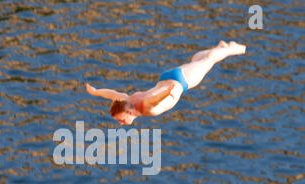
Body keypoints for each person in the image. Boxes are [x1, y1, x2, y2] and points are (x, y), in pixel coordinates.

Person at [86, 41, 246, 125]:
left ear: (129, 113)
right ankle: (221, 47)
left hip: (182, 81)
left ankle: (235, 48)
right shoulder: (126, 101)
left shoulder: (145, 105)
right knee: (197, 58)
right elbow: (112, 94)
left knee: (208, 60)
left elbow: (155, 98)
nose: (121, 124)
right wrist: (95, 92)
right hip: (167, 77)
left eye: (121, 120)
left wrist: (168, 90)